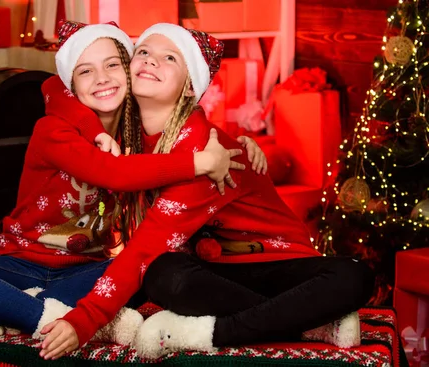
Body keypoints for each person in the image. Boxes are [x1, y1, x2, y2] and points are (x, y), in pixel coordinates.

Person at [38, 23, 374, 360]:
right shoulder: (128, 134)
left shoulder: (207, 153)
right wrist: (93, 130)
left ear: (188, 88)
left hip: (276, 267)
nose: (151, 61)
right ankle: (302, 324)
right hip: (214, 273)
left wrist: (83, 321)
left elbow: (145, 246)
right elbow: (58, 88)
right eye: (143, 52)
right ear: (129, 69)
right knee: (163, 274)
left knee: (355, 276)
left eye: (169, 57)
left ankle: (210, 332)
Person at [0, 21, 266, 344]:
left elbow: (182, 115)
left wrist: (239, 141)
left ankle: (8, 311)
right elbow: (111, 168)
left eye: (113, 65)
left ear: (131, 71)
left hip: (88, 272)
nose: (101, 78)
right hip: (22, 263)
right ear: (71, 83)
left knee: (148, 268)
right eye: (85, 71)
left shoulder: (133, 129)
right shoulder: (53, 131)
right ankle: (45, 319)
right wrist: (199, 162)